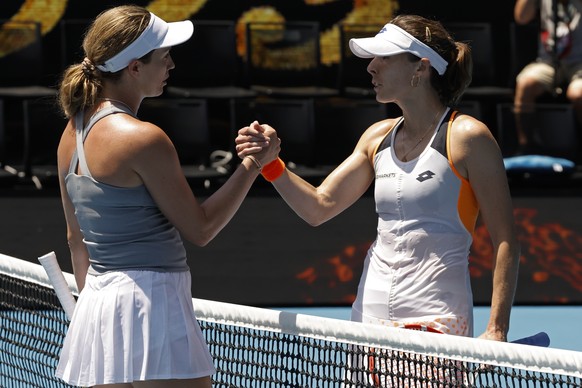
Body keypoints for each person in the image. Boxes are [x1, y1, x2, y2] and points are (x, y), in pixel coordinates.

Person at [237, 12, 520, 353]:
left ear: (421, 67)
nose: (371, 67)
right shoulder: (376, 138)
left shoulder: (468, 137)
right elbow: (318, 207)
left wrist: (496, 328)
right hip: (367, 321)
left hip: (436, 323)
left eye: (384, 58)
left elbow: (506, 240)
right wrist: (272, 165)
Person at [54, 5, 278, 388]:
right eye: (164, 56)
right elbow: (202, 228)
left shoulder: (71, 133)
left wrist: (96, 315)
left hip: (96, 306)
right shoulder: (142, 138)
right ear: (134, 67)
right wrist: (255, 164)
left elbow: (77, 241)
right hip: (152, 306)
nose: (172, 64)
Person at [513, 0, 582, 153]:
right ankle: (526, 147)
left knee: (578, 93)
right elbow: (521, 17)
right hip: (549, 60)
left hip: (579, 61)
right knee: (525, 85)